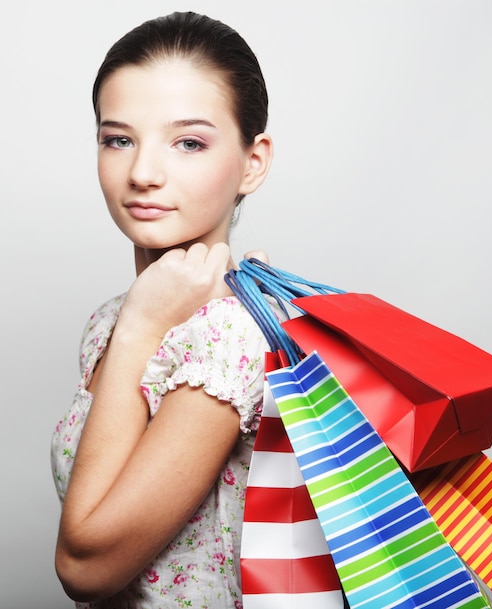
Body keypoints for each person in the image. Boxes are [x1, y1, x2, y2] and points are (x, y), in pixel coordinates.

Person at [51, 12, 277, 608]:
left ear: (253, 162)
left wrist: (143, 328)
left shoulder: (228, 336)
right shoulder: (110, 319)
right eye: (118, 139)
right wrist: (136, 321)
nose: (143, 173)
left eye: (189, 143)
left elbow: (85, 567)